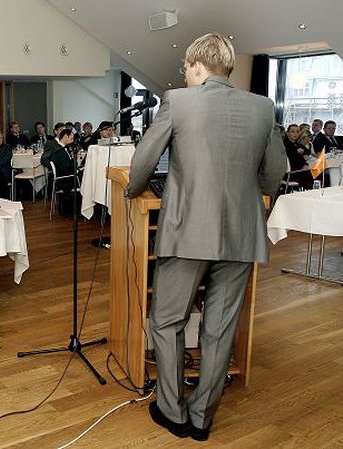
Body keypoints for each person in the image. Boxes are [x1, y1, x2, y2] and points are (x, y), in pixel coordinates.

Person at [126, 32, 286, 441]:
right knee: (220, 328)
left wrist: (132, 190)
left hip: (187, 231)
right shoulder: (263, 107)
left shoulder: (178, 101)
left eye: (186, 68)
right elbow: (274, 173)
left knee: (166, 321)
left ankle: (171, 408)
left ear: (196, 66)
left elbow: (144, 160)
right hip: (242, 232)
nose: (185, 74)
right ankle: (201, 418)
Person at [283, 124, 314, 190]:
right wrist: (303, 165)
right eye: (293, 132)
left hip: (299, 170)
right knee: (310, 175)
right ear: (287, 133)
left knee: (317, 173)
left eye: (297, 132)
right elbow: (291, 160)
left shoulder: (298, 145)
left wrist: (305, 164)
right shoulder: (285, 145)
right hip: (290, 173)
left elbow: (306, 154)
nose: (295, 134)